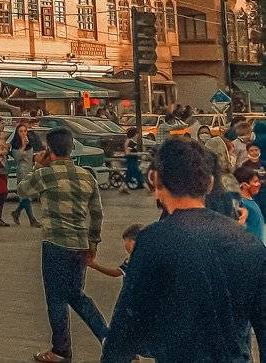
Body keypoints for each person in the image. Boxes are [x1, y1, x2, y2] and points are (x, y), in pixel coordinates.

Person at [101, 138, 266, 363]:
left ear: (155, 179)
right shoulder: (249, 244)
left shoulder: (153, 241)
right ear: (209, 184)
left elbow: (125, 327)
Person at [17, 127, 107, 363]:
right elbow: (97, 214)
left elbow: (22, 189)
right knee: (76, 295)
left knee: (56, 298)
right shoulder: (87, 176)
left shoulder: (46, 174)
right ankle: (109, 339)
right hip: (80, 244)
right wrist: (93, 243)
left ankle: (61, 350)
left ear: (49, 149)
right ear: (71, 148)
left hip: (55, 244)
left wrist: (39, 165)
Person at [7, 121, 42, 227]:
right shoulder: (15, 144)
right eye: (21, 131)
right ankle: (32, 219)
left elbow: (32, 156)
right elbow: (18, 157)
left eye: (25, 131)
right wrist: (23, 145)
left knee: (28, 195)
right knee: (25, 195)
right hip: (21, 170)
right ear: (17, 133)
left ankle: (16, 212)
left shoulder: (29, 143)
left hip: (29, 170)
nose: (23, 133)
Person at [235, 162, 266, 244]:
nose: (258, 184)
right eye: (255, 182)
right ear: (245, 185)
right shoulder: (241, 204)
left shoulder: (250, 201)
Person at [120, 127, 144, 193]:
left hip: (132, 159)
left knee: (129, 174)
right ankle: (147, 188)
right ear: (134, 134)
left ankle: (123, 187)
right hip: (131, 160)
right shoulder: (130, 142)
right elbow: (127, 153)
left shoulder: (130, 141)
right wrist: (137, 154)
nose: (138, 135)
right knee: (135, 172)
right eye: (137, 133)